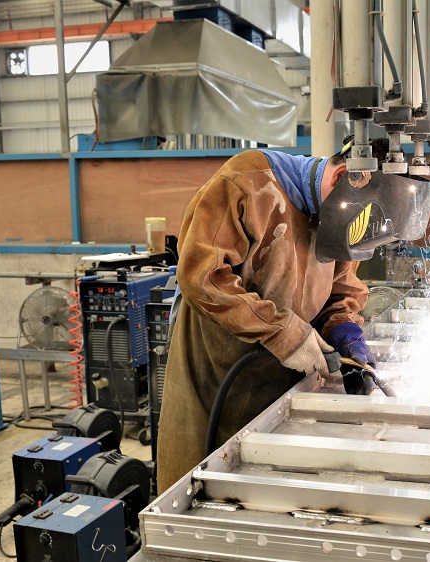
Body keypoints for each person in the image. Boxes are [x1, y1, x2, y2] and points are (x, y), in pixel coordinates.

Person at [156, 145, 378, 493]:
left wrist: (344, 329)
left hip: (279, 386)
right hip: (215, 380)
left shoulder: (344, 213)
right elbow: (202, 278)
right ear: (340, 178)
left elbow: (341, 288)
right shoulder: (245, 183)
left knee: (264, 494)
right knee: (202, 492)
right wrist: (283, 333)